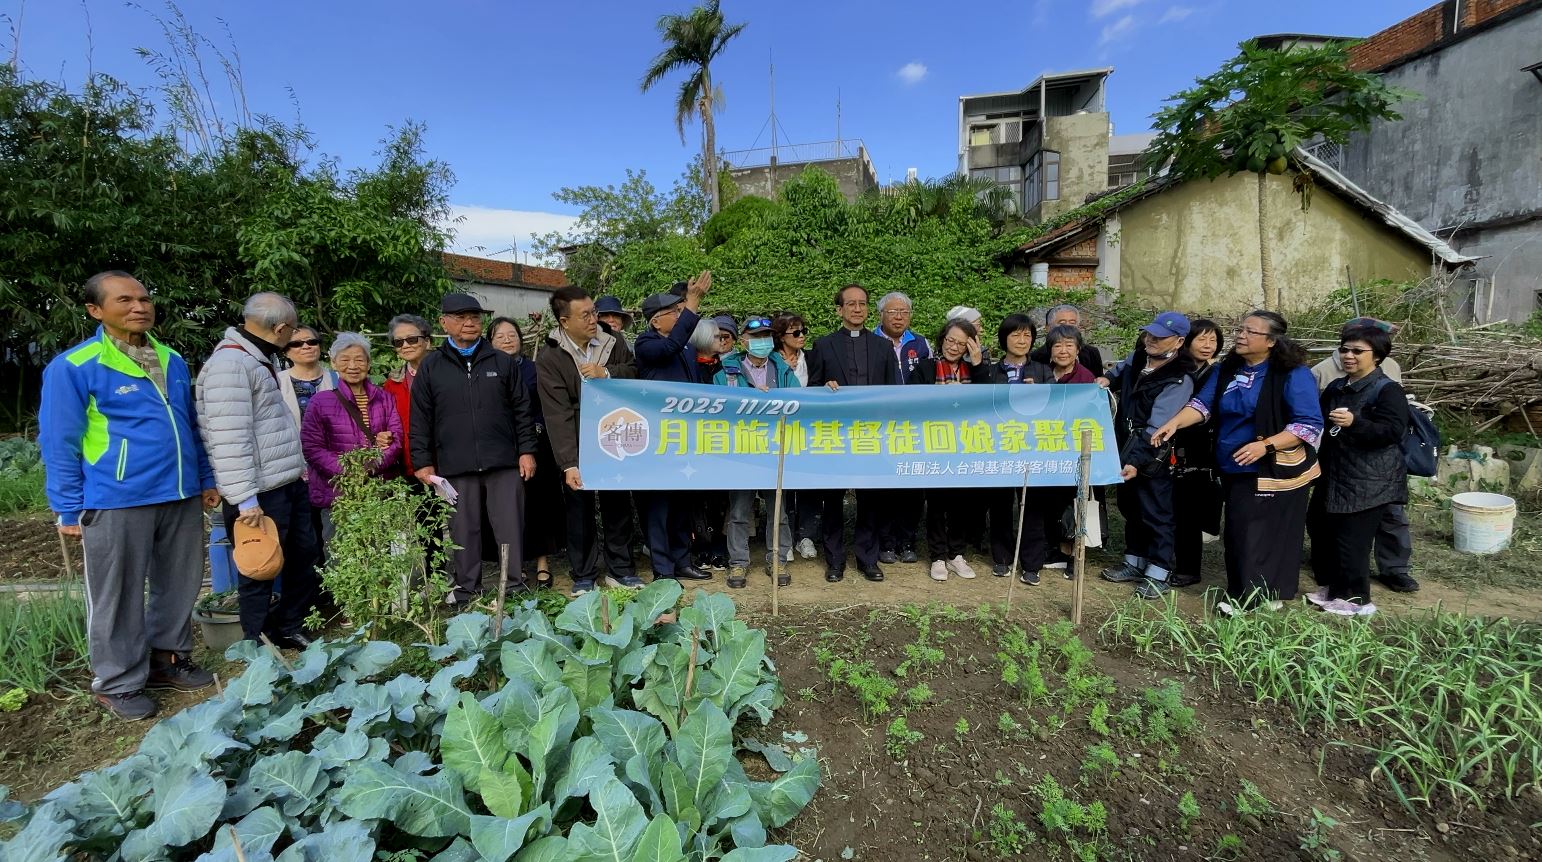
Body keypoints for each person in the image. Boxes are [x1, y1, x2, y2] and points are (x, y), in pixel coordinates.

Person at [40, 270, 219, 720]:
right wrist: (67, 505)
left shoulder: (172, 359)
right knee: (116, 592)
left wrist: (204, 477)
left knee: (179, 582)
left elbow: (189, 428)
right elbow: (59, 439)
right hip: (115, 496)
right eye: (125, 300)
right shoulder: (76, 366)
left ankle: (168, 658)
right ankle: (117, 681)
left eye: (144, 298)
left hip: (177, 492)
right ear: (95, 310)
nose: (139, 307)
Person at [1153, 310, 1324, 613]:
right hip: (1234, 463)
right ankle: (1263, 593)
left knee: (1261, 532)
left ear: (1271, 341)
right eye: (1240, 329)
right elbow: (1202, 404)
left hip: (1274, 466)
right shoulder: (1228, 369)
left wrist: (1265, 446)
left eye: (1250, 332)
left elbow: (1307, 425)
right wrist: (1175, 423)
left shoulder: (1292, 373)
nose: (1240, 336)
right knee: (1243, 529)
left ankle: (1247, 598)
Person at [197, 292, 320, 647]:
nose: (293, 337)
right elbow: (228, 437)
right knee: (259, 565)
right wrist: (245, 499)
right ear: (280, 328)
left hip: (284, 481)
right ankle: (255, 639)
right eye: (293, 331)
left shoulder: (255, 360)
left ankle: (288, 626)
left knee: (302, 555)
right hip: (258, 492)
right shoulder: (230, 367)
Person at [410, 293, 540, 605]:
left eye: (474, 316)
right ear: (444, 322)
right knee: (462, 530)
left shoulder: (501, 362)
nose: (469, 322)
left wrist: (526, 450)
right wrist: (423, 461)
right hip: (454, 464)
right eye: (460, 317)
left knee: (509, 526)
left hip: (504, 461)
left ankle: (513, 585)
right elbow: (420, 418)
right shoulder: (432, 366)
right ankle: (467, 589)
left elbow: (522, 410)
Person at [537, 285, 646, 596]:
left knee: (618, 505)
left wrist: (606, 373)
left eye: (593, 312)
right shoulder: (551, 357)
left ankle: (621, 570)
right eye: (585, 315)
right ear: (564, 321)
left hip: (614, 435)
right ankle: (583, 574)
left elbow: (635, 373)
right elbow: (556, 414)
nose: (593, 319)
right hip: (575, 439)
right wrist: (569, 463)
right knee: (579, 508)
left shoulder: (614, 341)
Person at [1307, 325, 1409, 617]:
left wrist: (1355, 423)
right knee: (1322, 529)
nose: (1348, 356)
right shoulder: (1338, 388)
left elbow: (1392, 432)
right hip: (1335, 472)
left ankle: (1355, 599)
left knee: (1353, 539)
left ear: (1376, 356)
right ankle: (1332, 589)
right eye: (1344, 350)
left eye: (1357, 351)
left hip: (1369, 479)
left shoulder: (1387, 389)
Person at [1096, 312, 1197, 600]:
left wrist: (1136, 461)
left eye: (1159, 337)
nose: (1151, 340)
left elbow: (1157, 428)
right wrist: (1106, 379)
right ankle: (1134, 562)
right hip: (1124, 440)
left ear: (1178, 341)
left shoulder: (1180, 377)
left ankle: (1158, 572)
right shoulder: (1139, 357)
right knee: (1130, 507)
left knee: (1156, 511)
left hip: (1153, 452)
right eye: (1148, 334)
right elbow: (1118, 371)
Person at [807, 283, 901, 583]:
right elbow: (812, 391)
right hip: (835, 435)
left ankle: (867, 559)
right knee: (832, 500)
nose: (857, 309)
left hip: (870, 435)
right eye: (851, 304)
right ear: (839, 309)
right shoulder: (823, 345)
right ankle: (834, 561)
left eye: (862, 303)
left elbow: (894, 394)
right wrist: (824, 390)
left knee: (870, 499)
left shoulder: (884, 347)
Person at [633, 272, 716, 582]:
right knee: (659, 507)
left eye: (682, 310)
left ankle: (683, 561)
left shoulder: (684, 348)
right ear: (656, 321)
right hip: (658, 440)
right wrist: (693, 301)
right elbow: (670, 347)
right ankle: (663, 569)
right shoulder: (647, 343)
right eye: (676, 312)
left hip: (684, 438)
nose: (683, 316)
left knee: (683, 503)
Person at [713, 315, 800, 588]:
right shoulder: (724, 372)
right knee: (739, 510)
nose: (762, 342)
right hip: (742, 450)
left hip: (775, 450)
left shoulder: (784, 371)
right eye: (756, 337)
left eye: (766, 337)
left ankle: (778, 558)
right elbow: (717, 406)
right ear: (743, 341)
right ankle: (738, 564)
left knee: (778, 510)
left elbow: (800, 402)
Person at [979, 313, 1063, 583]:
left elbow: (1057, 406)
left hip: (1033, 448)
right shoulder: (992, 372)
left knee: (1033, 507)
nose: (1022, 340)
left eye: (1027, 335)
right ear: (1004, 339)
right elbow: (981, 407)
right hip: (1000, 447)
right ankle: (1002, 558)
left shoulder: (1042, 370)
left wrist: (1039, 394)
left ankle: (1031, 564)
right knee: (1000, 504)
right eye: (1016, 334)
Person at [299, 333, 403, 544]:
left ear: (369, 363)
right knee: (341, 556)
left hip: (377, 490)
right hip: (338, 494)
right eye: (345, 360)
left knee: (379, 553)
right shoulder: (321, 402)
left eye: (359, 359)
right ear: (334, 363)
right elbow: (313, 448)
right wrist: (351, 473)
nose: (353, 366)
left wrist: (375, 462)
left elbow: (397, 437)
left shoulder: (384, 398)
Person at [489, 316, 566, 588]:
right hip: (500, 448)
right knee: (508, 508)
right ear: (491, 343)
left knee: (538, 505)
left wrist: (537, 429)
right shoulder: (486, 371)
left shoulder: (535, 369)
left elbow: (549, 404)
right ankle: (514, 566)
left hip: (536, 445)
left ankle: (543, 564)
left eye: (512, 335)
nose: (508, 340)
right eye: (500, 336)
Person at [907, 318, 986, 581]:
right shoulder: (925, 367)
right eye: (950, 340)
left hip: (967, 445)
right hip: (935, 443)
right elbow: (913, 401)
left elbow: (989, 400)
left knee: (962, 502)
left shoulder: (976, 369)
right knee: (937, 502)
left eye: (961, 343)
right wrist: (942, 395)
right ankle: (938, 556)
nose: (954, 347)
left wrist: (977, 366)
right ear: (942, 339)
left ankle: (957, 554)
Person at [872, 291, 929, 565]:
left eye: (904, 312)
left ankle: (907, 540)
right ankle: (885, 542)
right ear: (880, 315)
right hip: (881, 425)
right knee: (884, 485)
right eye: (893, 312)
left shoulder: (920, 343)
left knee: (912, 486)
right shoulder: (870, 341)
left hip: (915, 427)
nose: (898, 317)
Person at [1169, 319, 1225, 588]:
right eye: (1201, 339)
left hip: (1201, 452)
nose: (1207, 345)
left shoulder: (1218, 373)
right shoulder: (1174, 368)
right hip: (1169, 444)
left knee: (1188, 513)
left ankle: (1188, 568)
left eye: (1213, 340)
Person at [773, 311, 820, 559]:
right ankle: (785, 539)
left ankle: (807, 536)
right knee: (784, 485)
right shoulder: (770, 361)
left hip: (808, 430)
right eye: (795, 332)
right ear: (781, 336)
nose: (801, 336)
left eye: (803, 331)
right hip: (779, 430)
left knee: (809, 484)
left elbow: (821, 383)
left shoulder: (812, 358)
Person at [383, 313, 433, 479]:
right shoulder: (392, 383)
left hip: (449, 462)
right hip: (410, 465)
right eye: (398, 342)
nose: (405, 345)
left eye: (412, 339)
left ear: (427, 341)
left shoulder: (448, 374)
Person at [277, 324, 335, 428]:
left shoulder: (338, 379)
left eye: (312, 342)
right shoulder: (276, 382)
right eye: (296, 344)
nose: (306, 347)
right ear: (286, 352)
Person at [1031, 305, 1104, 376]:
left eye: (1072, 323)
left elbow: (1098, 383)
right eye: (1062, 323)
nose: (1067, 326)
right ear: (1048, 328)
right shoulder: (1035, 357)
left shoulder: (1092, 353)